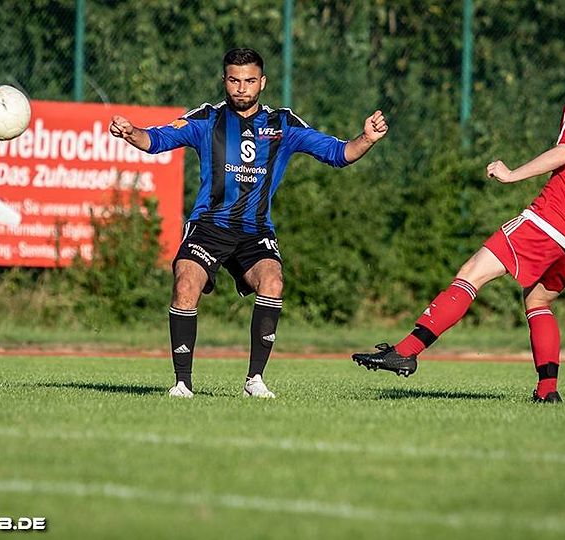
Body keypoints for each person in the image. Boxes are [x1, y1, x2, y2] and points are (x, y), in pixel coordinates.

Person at [352, 37, 565, 403]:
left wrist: (511, 174)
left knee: (471, 272)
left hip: (553, 219)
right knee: (538, 301)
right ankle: (547, 391)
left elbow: (564, 152)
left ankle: (406, 352)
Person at [110, 48, 388, 398]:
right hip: (209, 226)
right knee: (185, 282)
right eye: (234, 80)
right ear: (224, 81)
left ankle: (254, 380)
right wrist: (131, 132)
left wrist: (366, 139)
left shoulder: (283, 124)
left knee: (273, 280)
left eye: (250, 81)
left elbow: (337, 153)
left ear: (263, 82)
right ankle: (182, 383)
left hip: (255, 231)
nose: (242, 88)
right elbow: (157, 140)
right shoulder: (207, 119)